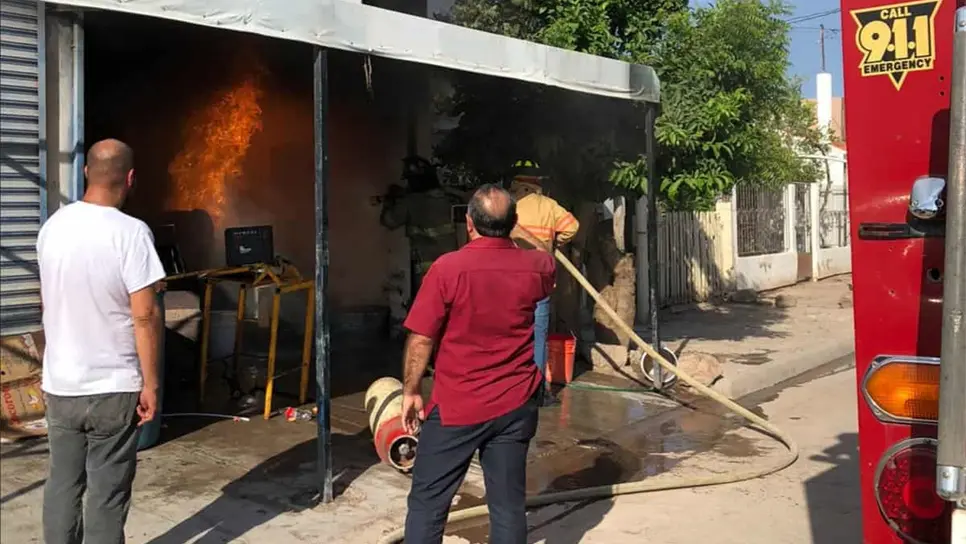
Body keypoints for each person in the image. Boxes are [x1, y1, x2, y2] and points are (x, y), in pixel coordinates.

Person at [400, 184, 555, 543]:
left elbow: (422, 339)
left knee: (428, 504)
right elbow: (546, 254)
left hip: (458, 407)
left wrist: (411, 390)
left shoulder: (447, 269)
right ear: (512, 223)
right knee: (508, 506)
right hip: (517, 405)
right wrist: (513, 228)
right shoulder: (535, 268)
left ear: (469, 223)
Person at [38, 138, 166, 544]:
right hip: (114, 387)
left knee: (62, 485)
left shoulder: (52, 228)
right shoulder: (132, 233)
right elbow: (144, 315)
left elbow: (49, 304)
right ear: (130, 178)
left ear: (85, 172)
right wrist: (152, 383)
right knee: (107, 495)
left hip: (61, 384)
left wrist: (50, 365)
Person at [506, 159, 579, 403]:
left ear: (517, 182)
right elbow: (572, 227)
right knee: (539, 334)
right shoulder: (549, 205)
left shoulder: (508, 206)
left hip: (510, 280)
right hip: (540, 278)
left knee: (510, 332)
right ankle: (537, 392)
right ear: (538, 182)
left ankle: (510, 387)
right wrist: (553, 244)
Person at [380, 156, 465, 293]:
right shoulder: (450, 198)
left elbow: (388, 221)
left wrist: (390, 200)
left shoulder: (410, 202)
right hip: (452, 267)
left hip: (425, 272)